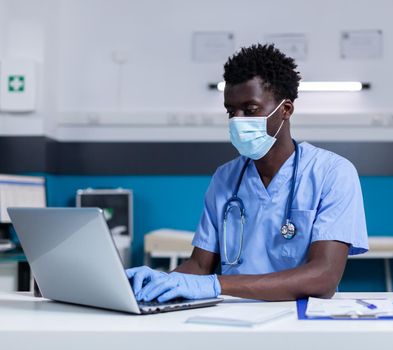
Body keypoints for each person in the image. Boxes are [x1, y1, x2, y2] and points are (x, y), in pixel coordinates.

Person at [126, 44, 368, 302]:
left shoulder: (332, 173)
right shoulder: (225, 178)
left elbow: (324, 276)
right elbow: (199, 267)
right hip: (233, 316)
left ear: (286, 110)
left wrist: (217, 285)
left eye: (250, 110)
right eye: (231, 111)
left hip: (300, 318)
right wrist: (161, 282)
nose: (237, 120)